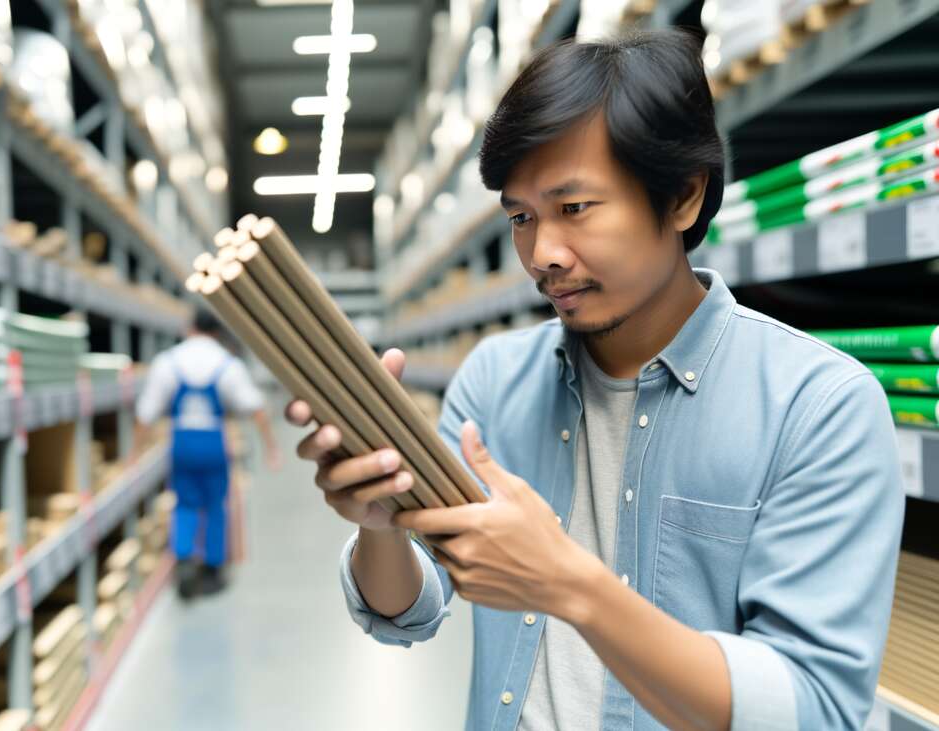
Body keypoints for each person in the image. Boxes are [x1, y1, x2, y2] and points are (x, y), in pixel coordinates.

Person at [285, 30, 904, 730]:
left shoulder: (819, 407)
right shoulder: (494, 380)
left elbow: (814, 709)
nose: (542, 254)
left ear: (683, 196)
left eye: (574, 208)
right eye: (521, 217)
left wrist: (567, 583)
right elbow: (409, 608)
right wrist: (382, 524)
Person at [136, 307, 281, 599]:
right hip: (213, 442)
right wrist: (271, 448)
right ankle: (213, 570)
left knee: (185, 503)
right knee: (216, 504)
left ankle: (184, 558)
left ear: (190, 328)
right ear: (216, 332)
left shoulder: (168, 361)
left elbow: (145, 413)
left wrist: (133, 454)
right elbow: (256, 408)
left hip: (182, 442)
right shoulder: (227, 363)